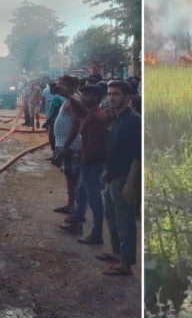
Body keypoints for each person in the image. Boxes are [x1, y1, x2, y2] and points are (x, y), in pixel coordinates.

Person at [98, 80, 140, 276]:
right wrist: (106, 173)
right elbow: (115, 150)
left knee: (125, 222)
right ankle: (117, 253)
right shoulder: (117, 119)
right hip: (113, 175)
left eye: (115, 94)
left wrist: (129, 185)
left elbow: (136, 156)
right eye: (109, 94)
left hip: (124, 178)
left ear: (127, 97)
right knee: (112, 217)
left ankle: (126, 263)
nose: (111, 98)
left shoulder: (134, 121)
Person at [72, 84, 108, 246]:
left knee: (94, 198)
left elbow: (93, 145)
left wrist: (85, 159)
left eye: (86, 96)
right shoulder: (95, 114)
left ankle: (97, 234)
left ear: (96, 98)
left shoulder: (94, 117)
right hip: (90, 162)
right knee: (82, 193)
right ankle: (77, 221)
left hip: (91, 164)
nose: (83, 99)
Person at [52, 75, 83, 216]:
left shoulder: (74, 100)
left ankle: (74, 208)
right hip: (67, 145)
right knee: (70, 176)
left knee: (72, 177)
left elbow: (77, 125)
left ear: (67, 86)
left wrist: (66, 146)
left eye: (60, 84)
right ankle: (72, 205)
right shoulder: (70, 100)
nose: (57, 87)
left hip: (71, 147)